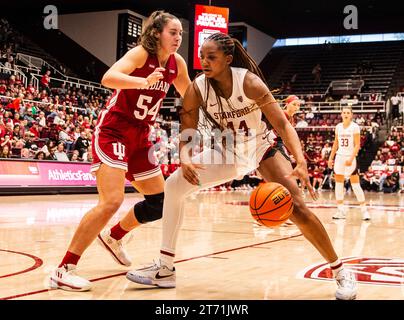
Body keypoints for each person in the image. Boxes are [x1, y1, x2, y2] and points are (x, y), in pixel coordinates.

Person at [125, 33, 357, 300]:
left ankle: (341, 272)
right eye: (201, 57)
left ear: (228, 59)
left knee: (298, 209)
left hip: (261, 148)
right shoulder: (197, 88)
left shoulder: (249, 83)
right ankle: (165, 268)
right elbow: (188, 130)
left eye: (211, 57)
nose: (204, 62)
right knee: (174, 185)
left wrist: (301, 160)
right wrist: (185, 157)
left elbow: (281, 125)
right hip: (228, 150)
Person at [49, 10, 191, 291]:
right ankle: (63, 269)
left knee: (161, 203)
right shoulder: (141, 55)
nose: (178, 38)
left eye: (180, 34)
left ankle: (114, 236)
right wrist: (143, 81)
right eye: (173, 32)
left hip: (142, 136)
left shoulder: (177, 63)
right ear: (156, 33)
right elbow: (108, 77)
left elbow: (191, 94)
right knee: (111, 201)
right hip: (115, 130)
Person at [327, 106, 370, 221]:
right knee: (339, 185)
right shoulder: (338, 127)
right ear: (341, 114)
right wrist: (331, 158)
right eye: (344, 112)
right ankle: (341, 210)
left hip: (350, 158)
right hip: (339, 158)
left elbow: (357, 145)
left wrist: (351, 158)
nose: (345, 114)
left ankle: (364, 211)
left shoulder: (355, 127)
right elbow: (335, 144)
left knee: (355, 185)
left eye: (348, 113)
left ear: (351, 115)